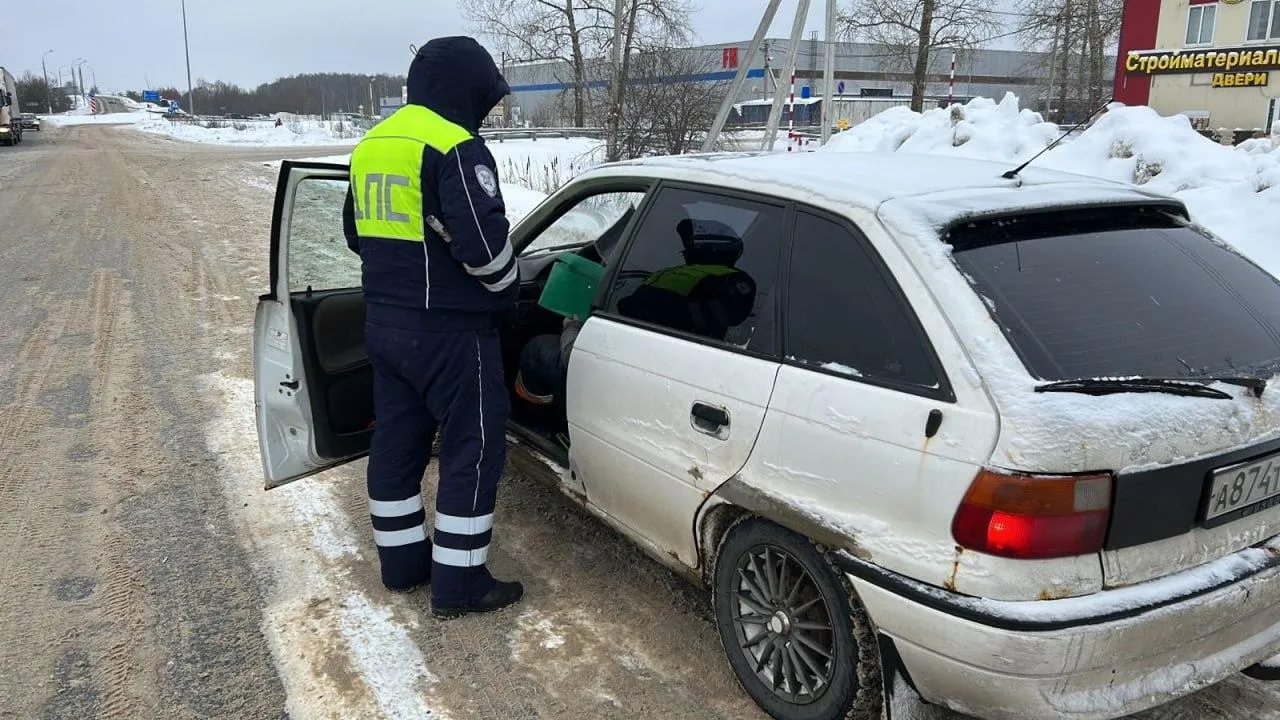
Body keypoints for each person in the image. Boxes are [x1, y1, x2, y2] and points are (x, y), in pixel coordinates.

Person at [342, 36, 523, 618]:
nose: (487, 111)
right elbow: (485, 253)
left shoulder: (373, 144)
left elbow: (355, 234)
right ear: (466, 89)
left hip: (384, 327)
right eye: (486, 99)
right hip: (451, 337)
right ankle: (460, 584)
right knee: (474, 449)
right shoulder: (455, 145)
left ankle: (402, 566)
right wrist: (510, 287)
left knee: (397, 445)